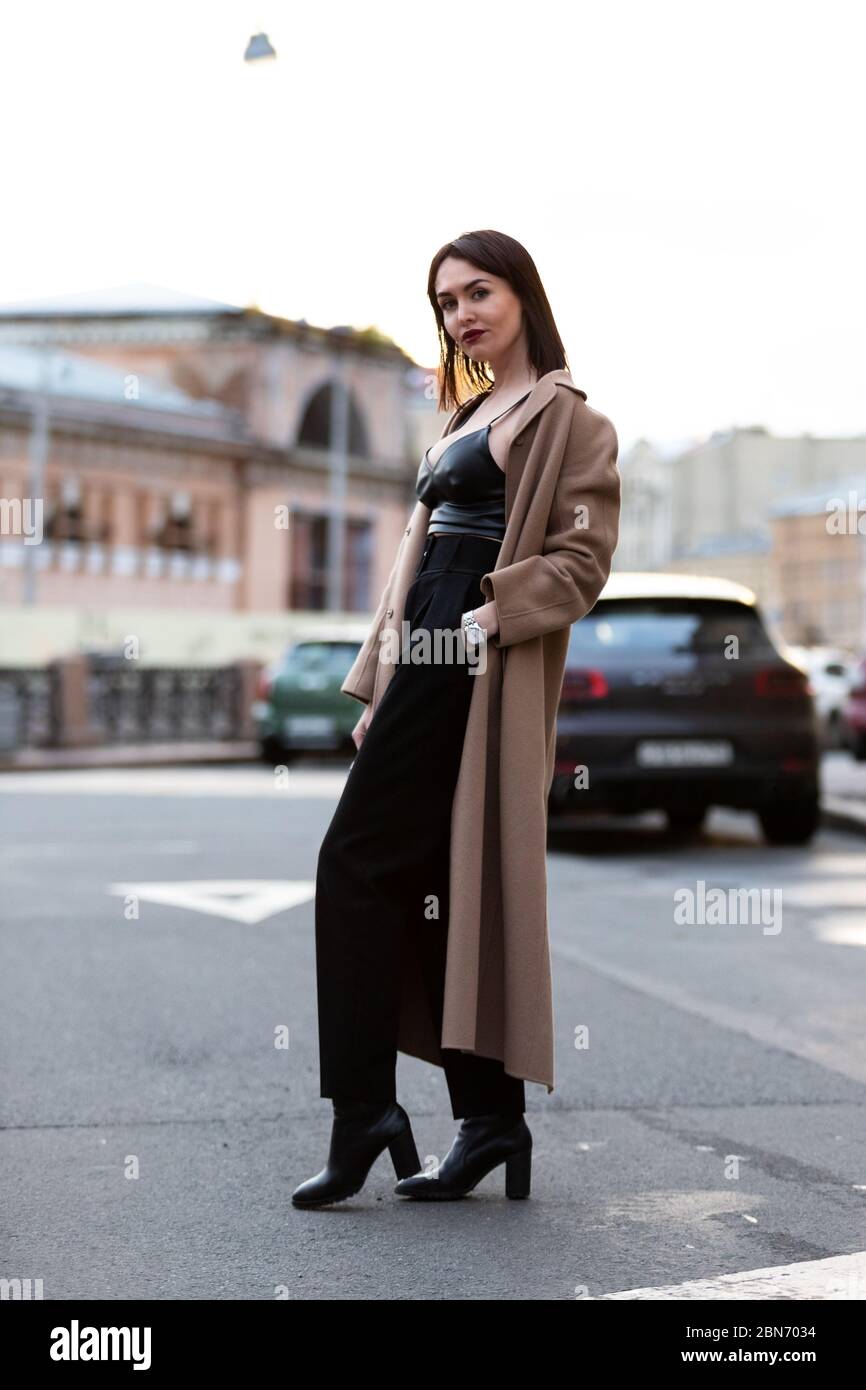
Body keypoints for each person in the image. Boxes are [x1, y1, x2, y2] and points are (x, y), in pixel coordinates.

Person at [292, 229, 621, 1207]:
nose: (461, 313)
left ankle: (365, 1112)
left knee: (350, 861)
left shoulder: (568, 417)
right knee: (431, 878)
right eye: (444, 301)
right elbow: (408, 565)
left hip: (473, 647)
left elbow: (582, 557)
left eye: (478, 292)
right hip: (426, 646)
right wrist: (383, 680)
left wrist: (485, 617)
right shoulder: (463, 410)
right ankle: (489, 1119)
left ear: (522, 294)